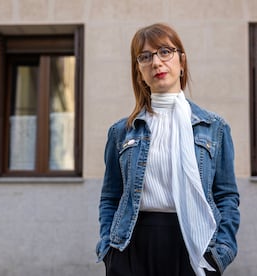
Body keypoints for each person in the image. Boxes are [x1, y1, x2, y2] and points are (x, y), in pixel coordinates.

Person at [96, 23, 240, 276]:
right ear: (139, 71)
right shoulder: (121, 132)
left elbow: (226, 196)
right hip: (132, 245)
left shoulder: (214, 128)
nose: (156, 62)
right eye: (145, 56)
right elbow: (110, 196)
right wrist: (109, 251)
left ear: (181, 61)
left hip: (194, 246)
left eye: (165, 52)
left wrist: (221, 252)